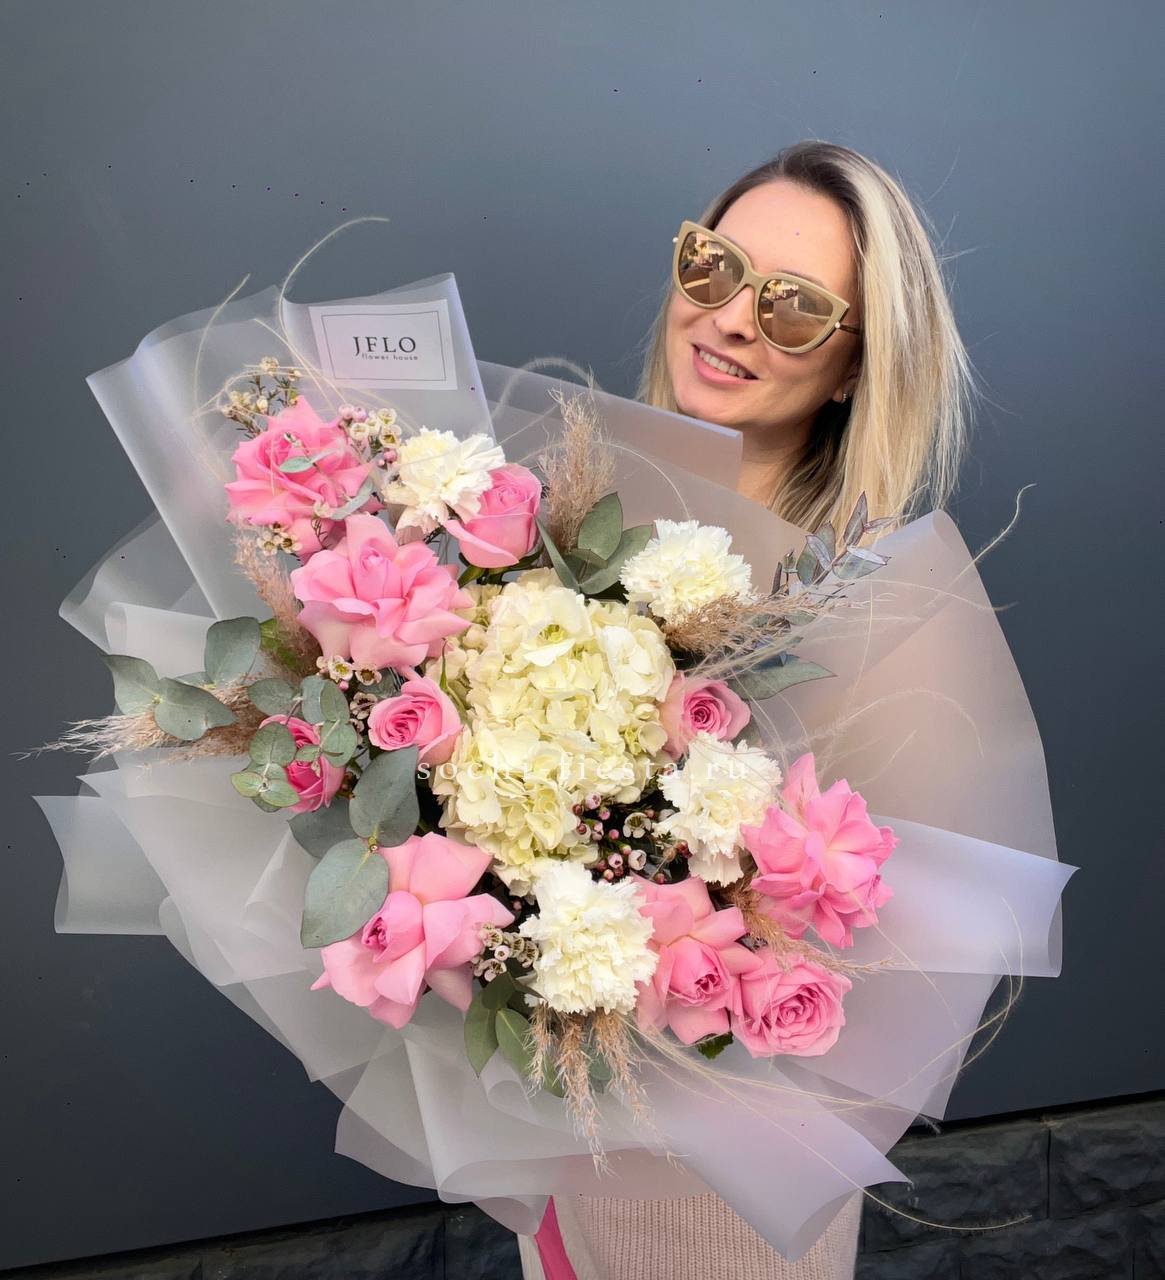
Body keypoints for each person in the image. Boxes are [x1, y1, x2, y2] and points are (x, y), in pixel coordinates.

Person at [517, 139, 977, 1280]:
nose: (729, 319)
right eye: (713, 266)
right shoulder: (564, 525)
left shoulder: (870, 598)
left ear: (856, 366)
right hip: (556, 1123)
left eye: (794, 308)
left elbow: (891, 919)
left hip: (735, 1168)